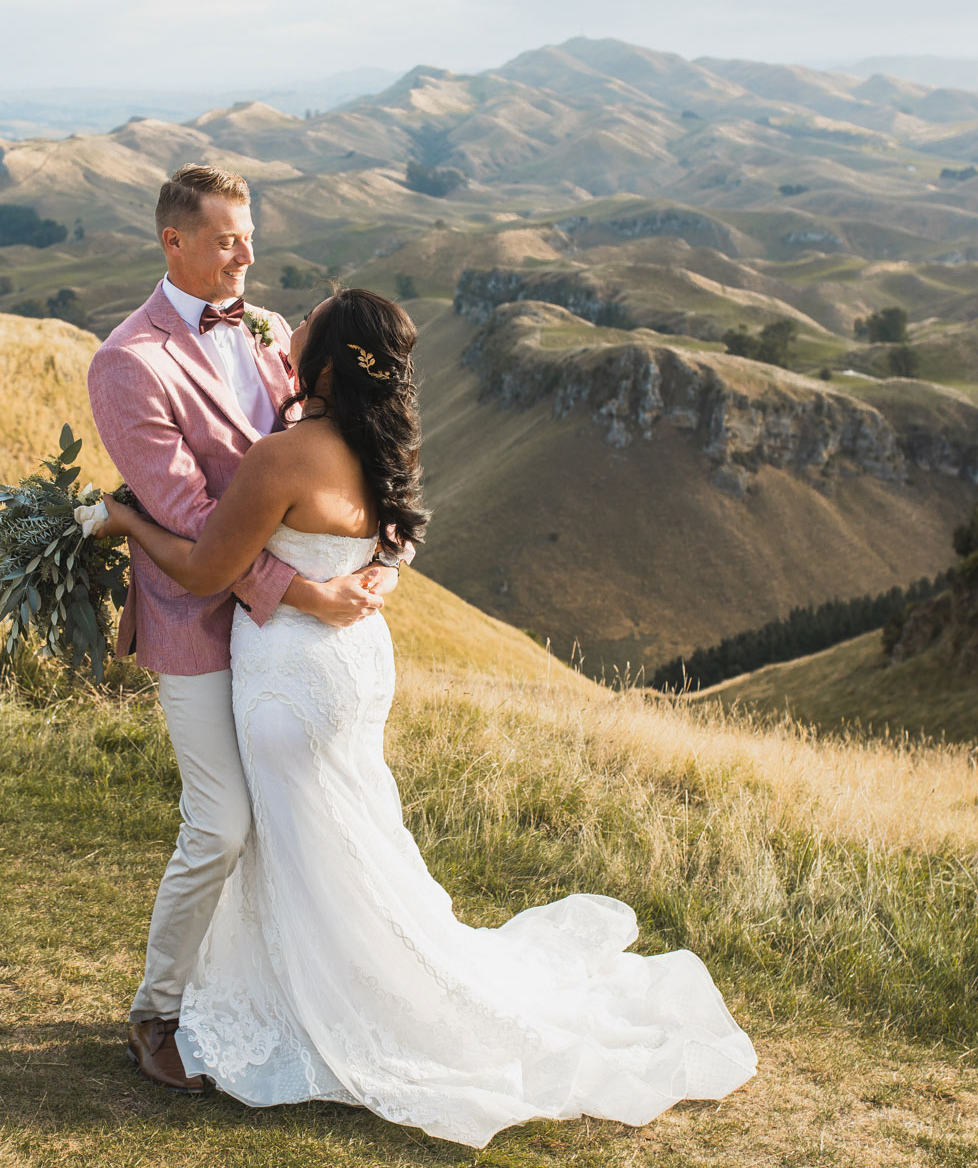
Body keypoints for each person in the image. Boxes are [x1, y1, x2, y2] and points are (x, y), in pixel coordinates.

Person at [89, 288, 757, 1148]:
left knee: (306, 842)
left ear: (325, 362)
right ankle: (345, 983)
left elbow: (211, 568)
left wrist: (124, 521)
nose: (289, 320)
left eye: (311, 318)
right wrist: (367, 577)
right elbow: (391, 548)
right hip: (356, 667)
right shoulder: (380, 444)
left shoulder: (285, 457)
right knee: (344, 837)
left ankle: (329, 1005)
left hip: (289, 678)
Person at [86, 164, 399, 1096]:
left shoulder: (265, 332)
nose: (249, 255)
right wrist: (306, 592)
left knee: (287, 823)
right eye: (228, 239)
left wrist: (372, 559)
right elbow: (187, 520)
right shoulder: (127, 364)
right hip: (196, 621)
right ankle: (157, 1008)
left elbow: (341, 453)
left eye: (249, 234)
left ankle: (269, 994)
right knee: (219, 824)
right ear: (173, 241)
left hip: (283, 651)